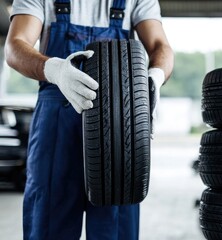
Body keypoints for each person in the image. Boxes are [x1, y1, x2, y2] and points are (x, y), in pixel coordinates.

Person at [4, 0, 174, 239]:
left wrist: (154, 78)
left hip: (117, 125)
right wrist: (54, 69)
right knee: (48, 225)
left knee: (115, 229)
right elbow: (14, 46)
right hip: (56, 121)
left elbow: (160, 46)